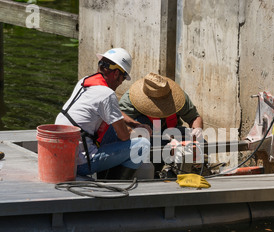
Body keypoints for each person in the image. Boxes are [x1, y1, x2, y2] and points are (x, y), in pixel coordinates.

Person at [55, 48, 150, 180]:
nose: (121, 82)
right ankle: (116, 184)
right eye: (123, 77)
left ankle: (105, 174)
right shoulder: (107, 94)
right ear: (116, 73)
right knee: (142, 145)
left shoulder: (84, 82)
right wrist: (140, 132)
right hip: (82, 164)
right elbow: (124, 137)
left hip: (63, 156)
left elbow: (113, 111)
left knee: (111, 125)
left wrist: (133, 123)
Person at [118, 72, 203, 142]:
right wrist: (136, 129)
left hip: (172, 131)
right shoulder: (131, 99)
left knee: (200, 143)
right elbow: (119, 124)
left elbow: (194, 117)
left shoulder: (179, 98)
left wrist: (197, 130)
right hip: (147, 135)